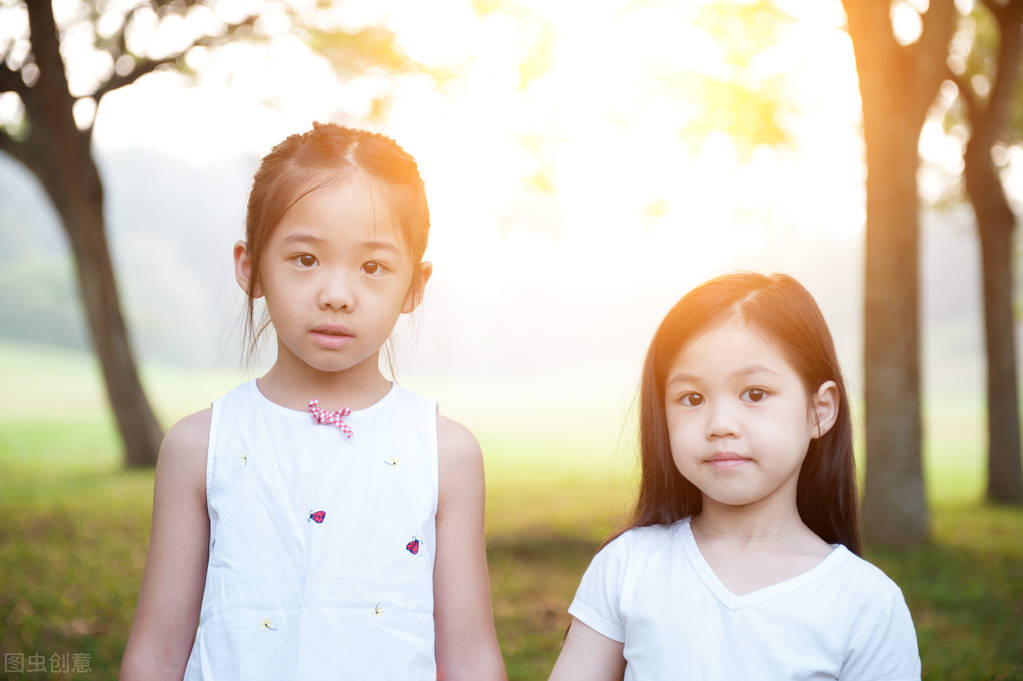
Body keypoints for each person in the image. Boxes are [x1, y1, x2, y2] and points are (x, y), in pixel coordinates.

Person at [119, 123, 506, 681]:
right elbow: (156, 654)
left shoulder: (446, 453)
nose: (337, 294)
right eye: (305, 259)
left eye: (373, 267)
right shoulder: (199, 446)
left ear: (414, 287)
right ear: (249, 267)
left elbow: (470, 658)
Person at [549, 272, 921, 681]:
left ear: (821, 410)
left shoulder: (867, 603)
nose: (720, 423)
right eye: (692, 399)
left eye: (755, 394)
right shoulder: (628, 567)